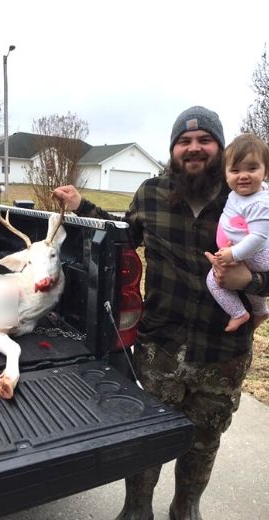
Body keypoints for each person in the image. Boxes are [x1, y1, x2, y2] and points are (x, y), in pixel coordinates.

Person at [52, 106, 269, 520]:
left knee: (205, 440)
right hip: (160, 348)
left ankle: (185, 508)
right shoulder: (151, 193)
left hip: (222, 351)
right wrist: (82, 206)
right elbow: (122, 237)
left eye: (204, 140)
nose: (194, 148)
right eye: (184, 141)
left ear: (220, 148)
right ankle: (136, 510)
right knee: (146, 438)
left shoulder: (248, 200)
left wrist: (252, 284)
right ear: (173, 150)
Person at [206, 133, 269, 332]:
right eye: (235, 170)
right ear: (225, 174)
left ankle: (239, 314)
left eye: (252, 168)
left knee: (214, 281)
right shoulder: (239, 194)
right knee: (247, 284)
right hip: (248, 253)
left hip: (255, 254)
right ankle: (260, 311)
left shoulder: (259, 202)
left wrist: (233, 254)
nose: (243, 175)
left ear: (265, 172)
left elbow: (258, 238)